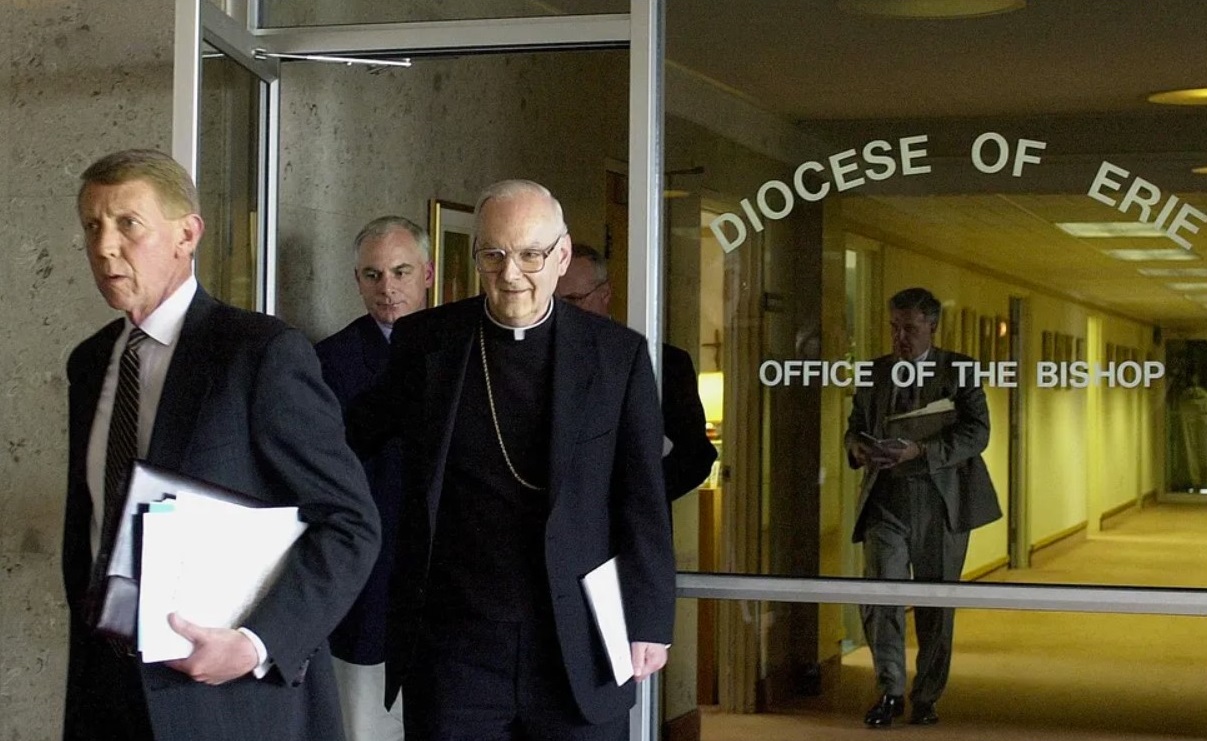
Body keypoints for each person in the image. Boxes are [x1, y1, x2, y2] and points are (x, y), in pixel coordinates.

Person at [62, 149, 381, 741]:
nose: (104, 246)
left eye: (128, 224)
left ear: (187, 234)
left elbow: (350, 524)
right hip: (106, 695)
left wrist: (257, 645)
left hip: (228, 701)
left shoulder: (257, 353)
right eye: (92, 225)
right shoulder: (89, 364)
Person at [348, 179, 676, 741]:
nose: (512, 274)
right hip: (455, 647)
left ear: (562, 255)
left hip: (576, 640)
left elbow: (642, 498)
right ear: (475, 256)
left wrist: (648, 620)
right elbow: (353, 437)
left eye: (531, 255)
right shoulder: (427, 342)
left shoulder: (617, 356)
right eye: (493, 255)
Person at [844, 287, 1001, 728]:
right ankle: (889, 691)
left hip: (941, 500)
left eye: (910, 329)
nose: (900, 338)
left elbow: (978, 433)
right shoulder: (875, 372)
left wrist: (920, 451)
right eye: (894, 327)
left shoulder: (959, 370)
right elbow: (855, 426)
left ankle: (927, 696)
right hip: (886, 500)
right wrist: (857, 448)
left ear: (932, 327)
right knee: (881, 597)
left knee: (935, 604)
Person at [315, 216, 433, 741]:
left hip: (451, 585)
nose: (388, 288)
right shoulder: (329, 361)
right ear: (357, 280)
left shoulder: (465, 345)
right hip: (373, 581)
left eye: (401, 272)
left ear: (427, 273)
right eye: (373, 275)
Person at [556, 243, 717, 500]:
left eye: (574, 299)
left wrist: (634, 498)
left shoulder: (666, 364)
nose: (562, 311)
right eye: (553, 301)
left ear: (605, 293)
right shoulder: (533, 360)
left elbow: (696, 456)